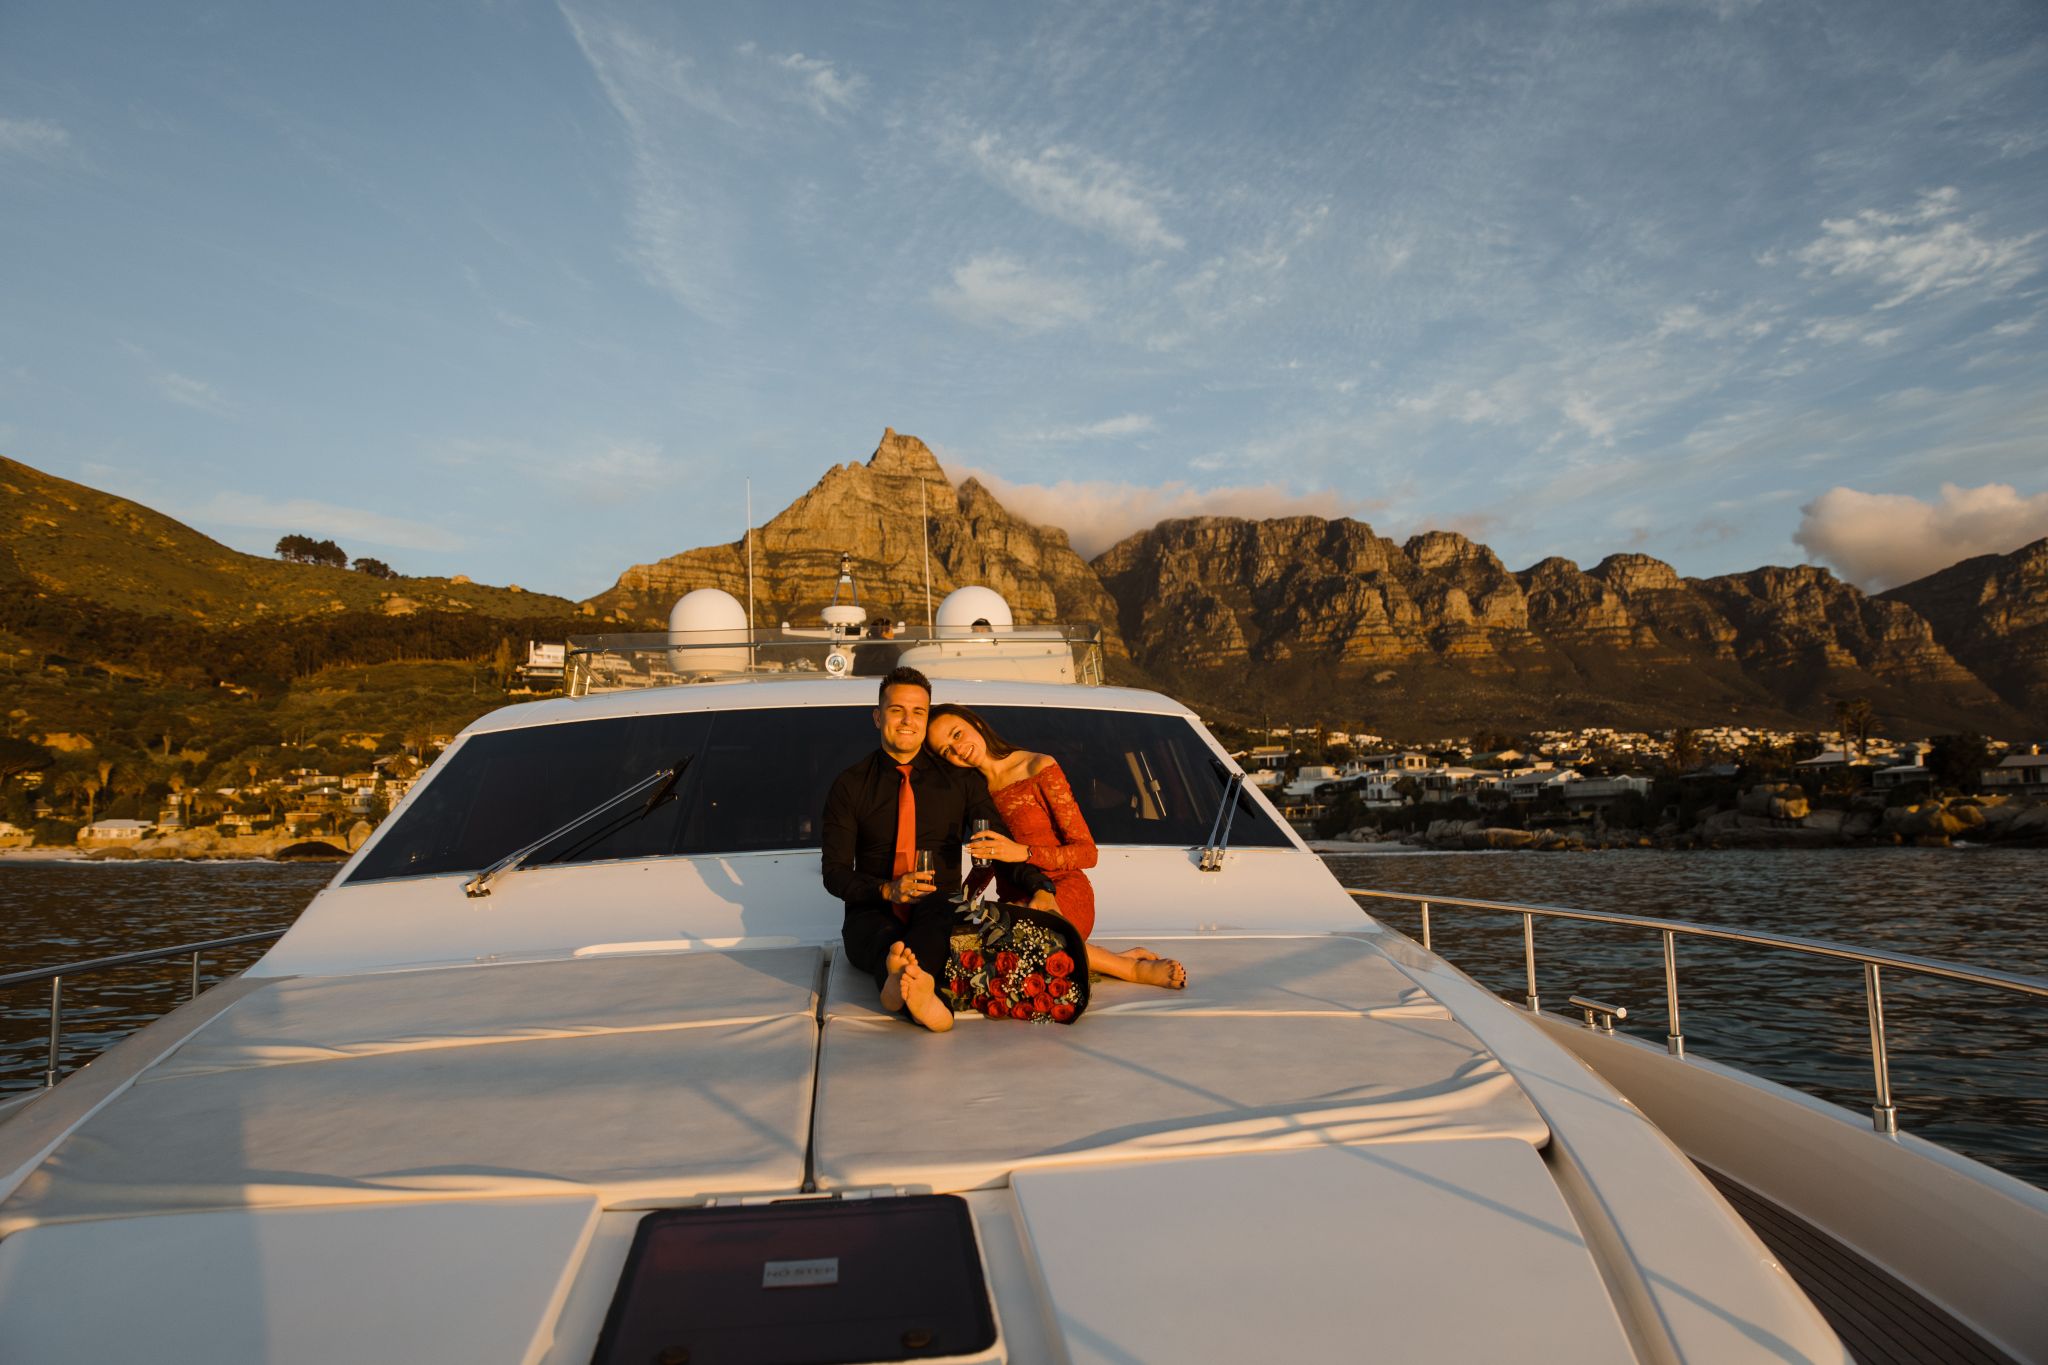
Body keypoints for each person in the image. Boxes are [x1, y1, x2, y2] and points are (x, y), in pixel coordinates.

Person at [821, 667, 1062, 1030]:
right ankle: (916, 992)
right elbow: (835, 872)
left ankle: (900, 988)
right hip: (872, 911)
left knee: (938, 909)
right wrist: (887, 889)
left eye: (918, 712)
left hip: (941, 910)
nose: (907, 720)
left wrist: (1040, 887)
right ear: (877, 716)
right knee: (882, 938)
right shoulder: (850, 785)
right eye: (896, 710)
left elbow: (996, 844)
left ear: (926, 716)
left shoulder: (960, 780)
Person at [926, 702, 1187, 990]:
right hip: (1014, 904)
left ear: (974, 723)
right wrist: (961, 901)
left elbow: (1087, 853)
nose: (956, 749)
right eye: (946, 750)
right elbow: (990, 859)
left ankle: (1132, 969)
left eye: (957, 735)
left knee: (1021, 948)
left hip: (1064, 890)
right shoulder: (972, 791)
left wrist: (1024, 852)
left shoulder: (1037, 767)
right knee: (971, 959)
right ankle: (1100, 957)